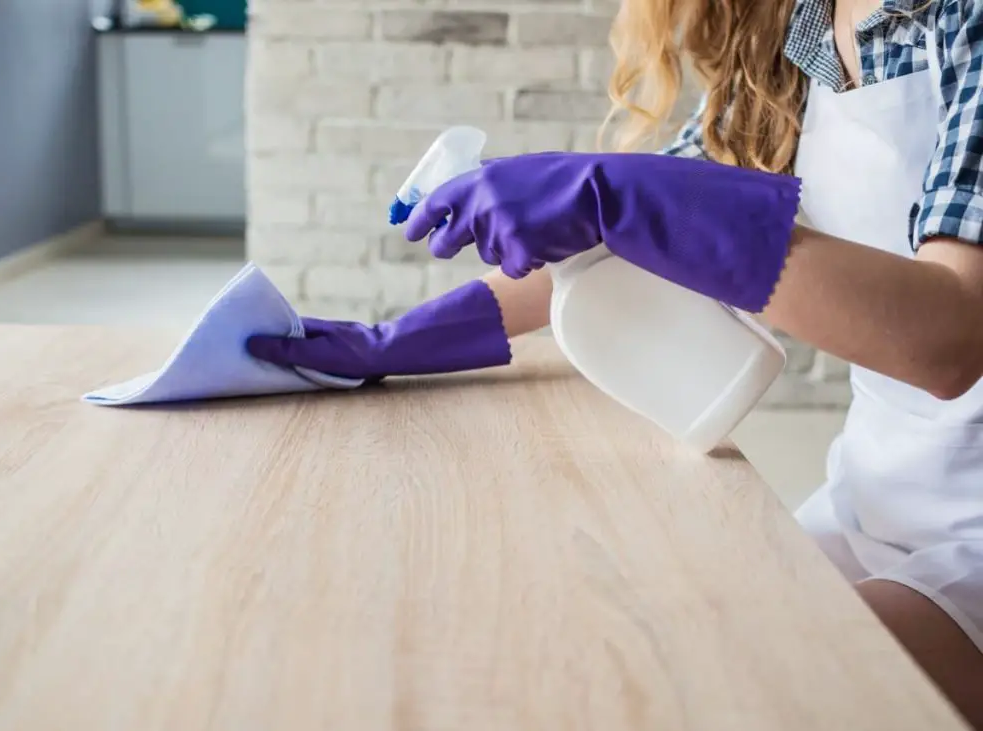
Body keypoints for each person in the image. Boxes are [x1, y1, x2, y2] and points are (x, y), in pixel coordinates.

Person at [248, 0, 983, 724]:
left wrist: (618, 196)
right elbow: (615, 231)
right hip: (870, 497)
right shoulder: (801, 28)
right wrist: (400, 340)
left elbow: (950, 336)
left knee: (747, 685)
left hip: (973, 531)